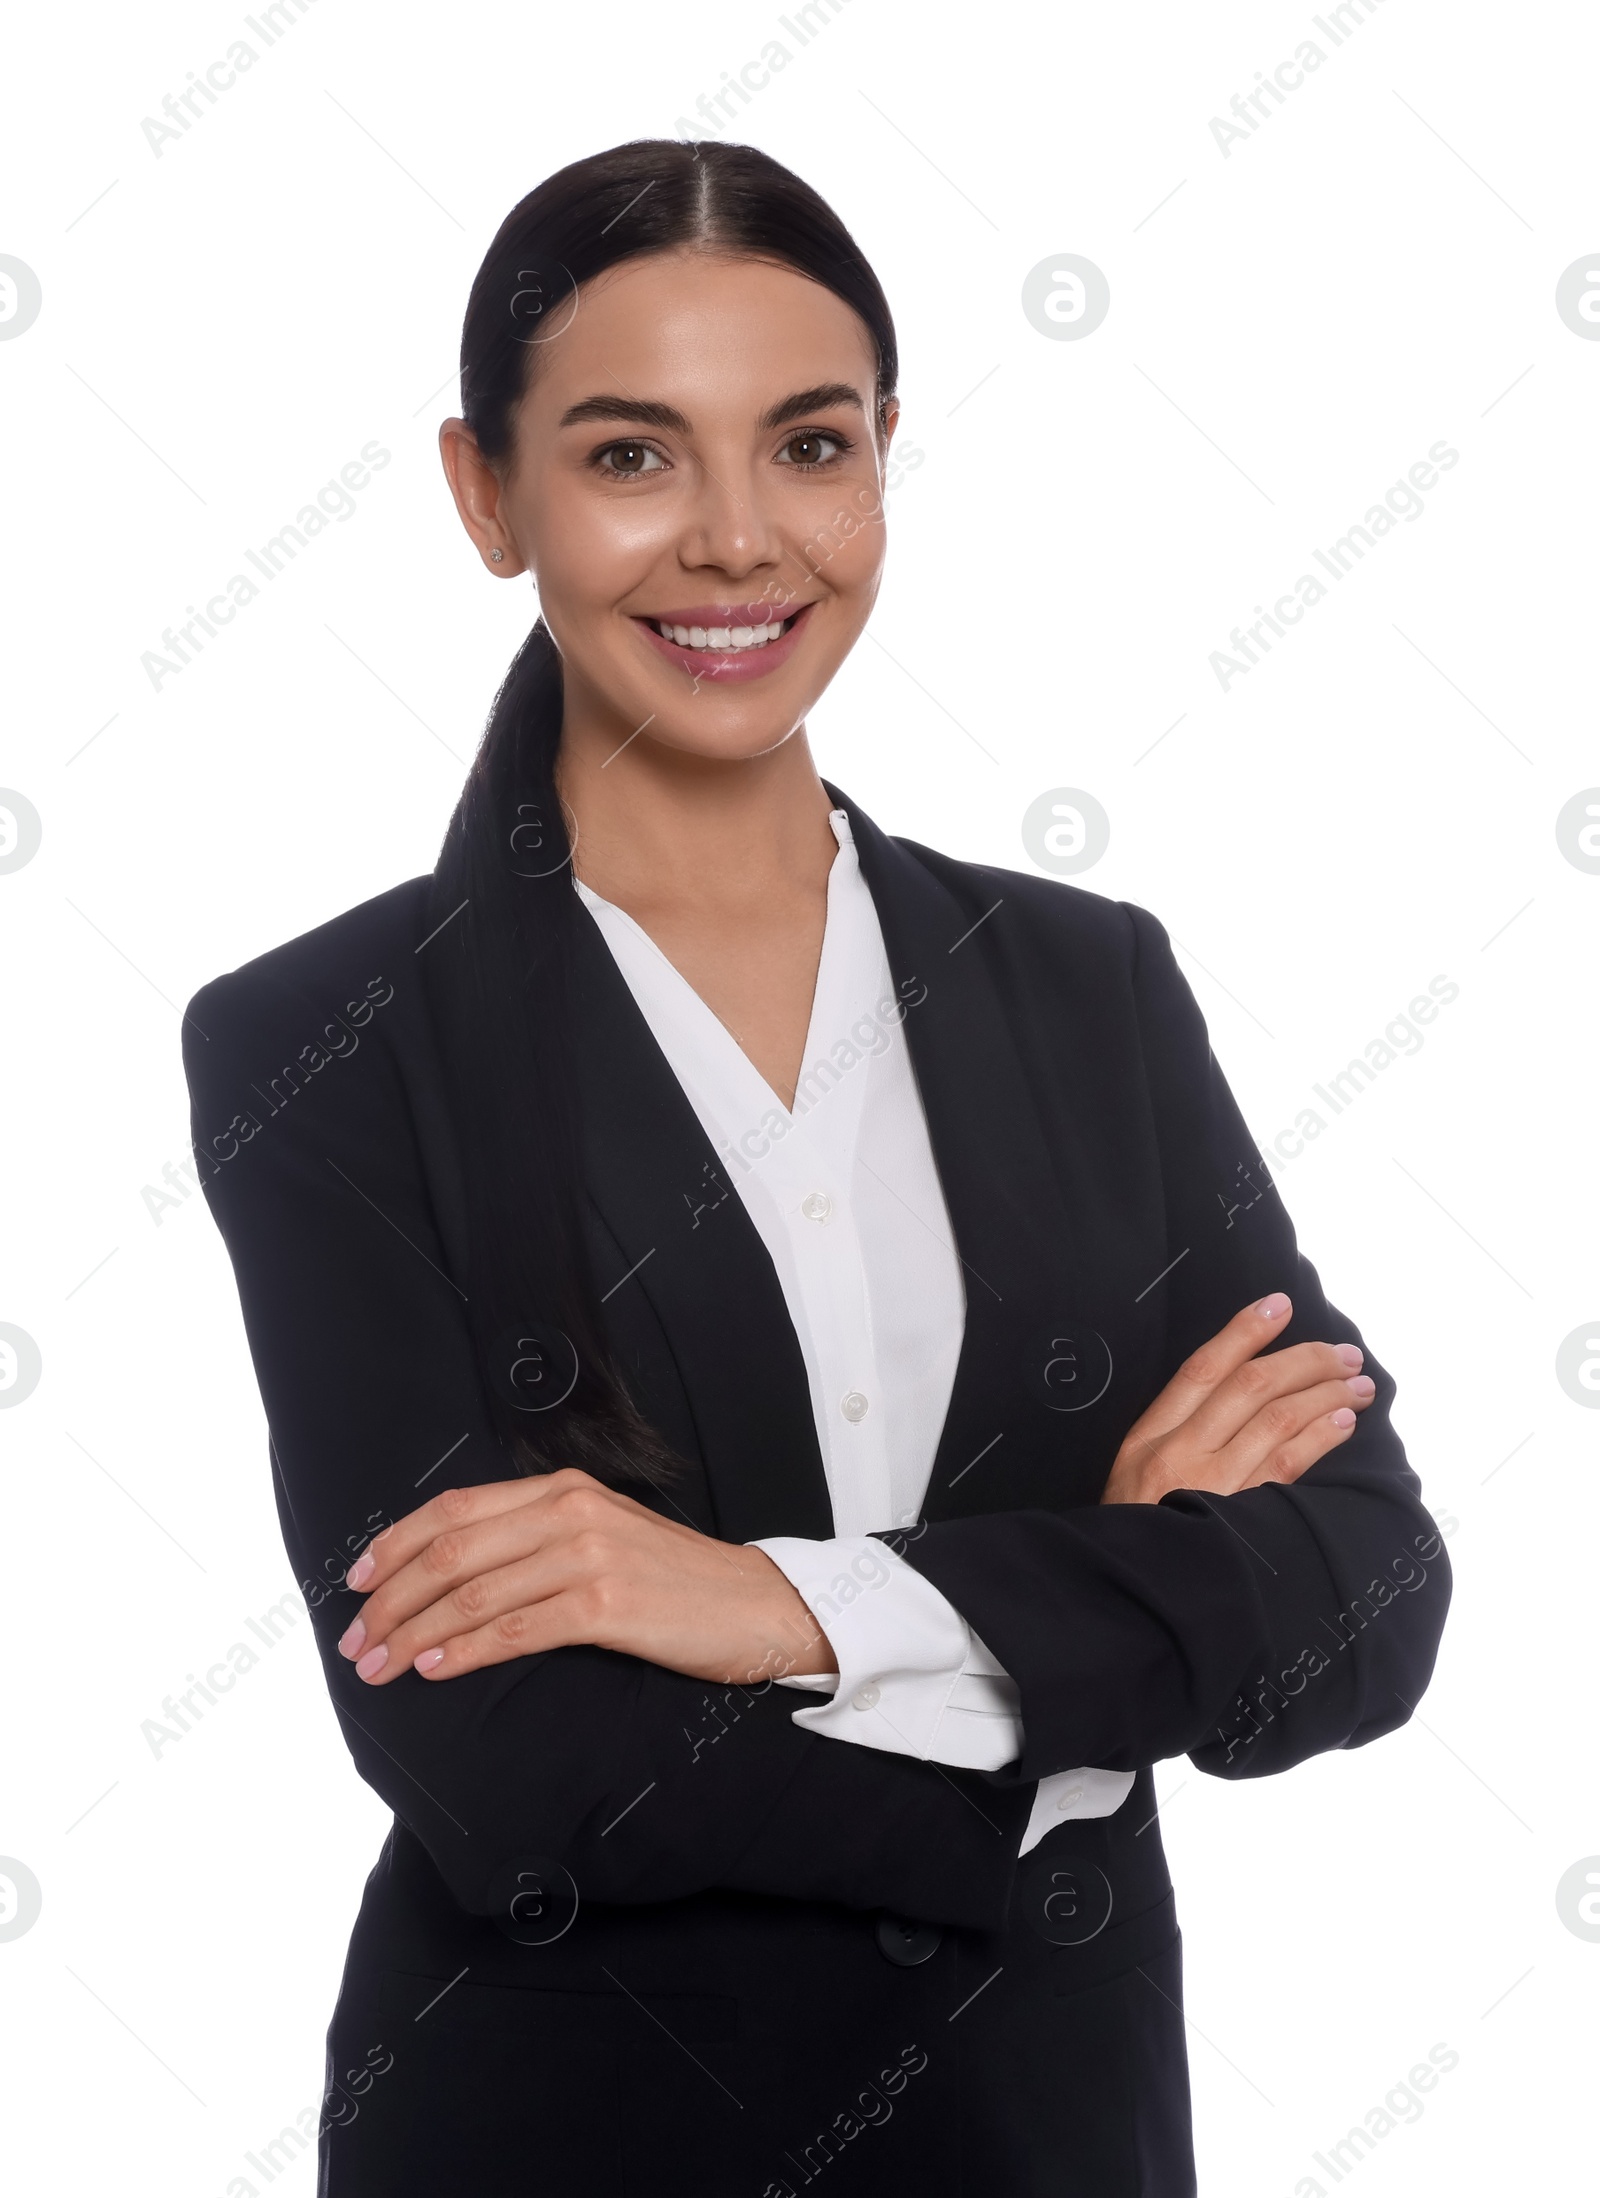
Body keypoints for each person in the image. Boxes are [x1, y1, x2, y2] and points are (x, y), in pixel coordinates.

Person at [182, 138, 1451, 2198]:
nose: (735, 539)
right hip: (564, 2138)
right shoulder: (324, 1046)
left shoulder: (1079, 987)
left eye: (807, 442)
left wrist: (756, 1601)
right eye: (627, 455)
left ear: (878, 465)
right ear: (484, 493)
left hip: (1051, 2130)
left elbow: (1359, 1595)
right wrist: (1087, 1674)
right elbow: (504, 1766)